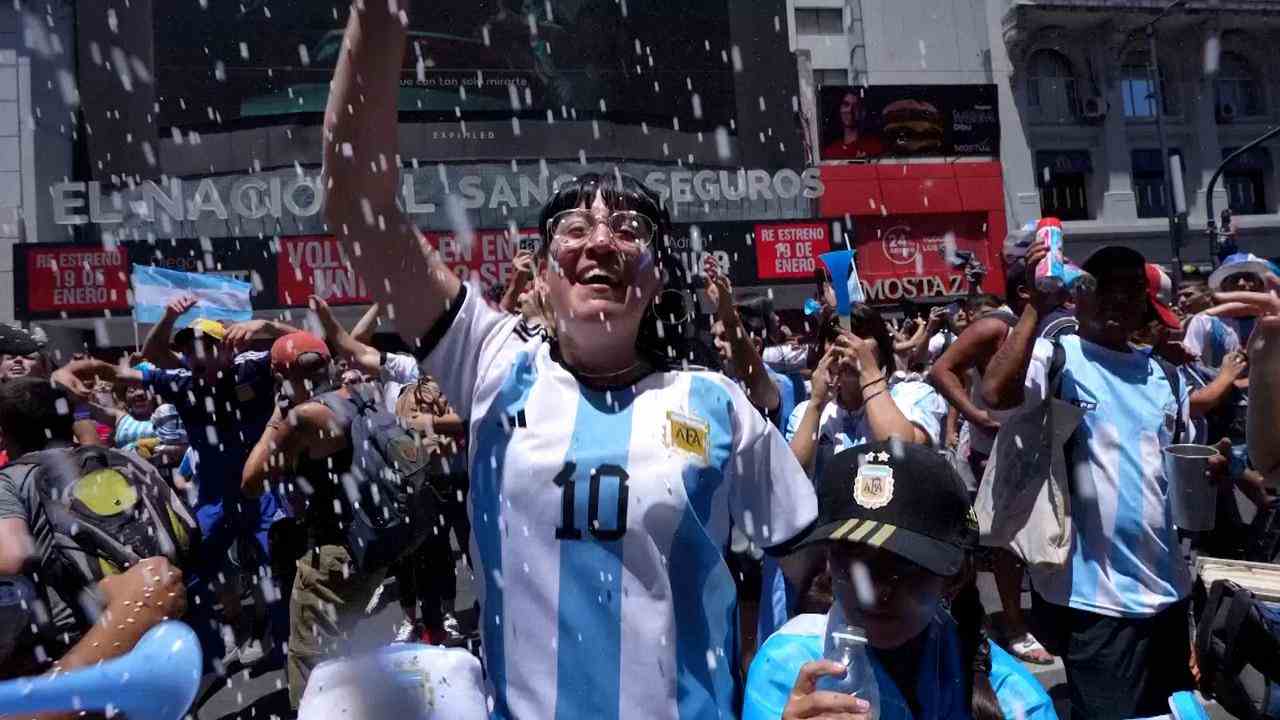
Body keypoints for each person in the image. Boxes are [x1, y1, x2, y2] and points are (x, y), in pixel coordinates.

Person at [322, 6, 819, 716]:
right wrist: (378, 15)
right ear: (542, 275)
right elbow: (356, 204)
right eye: (573, 228)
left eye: (628, 229)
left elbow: (810, 569)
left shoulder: (719, 407)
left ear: (655, 277)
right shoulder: (493, 364)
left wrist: (778, 689)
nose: (601, 243)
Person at [982, 243, 1207, 720]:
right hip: (1096, 600)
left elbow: (1178, 476)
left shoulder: (1166, 375)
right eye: (1104, 287)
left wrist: (1214, 470)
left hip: (1167, 596)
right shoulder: (1057, 357)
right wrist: (1032, 311)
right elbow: (995, 394)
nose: (1118, 300)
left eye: (1131, 290)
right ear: (1079, 298)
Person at [52, 303, 300, 670]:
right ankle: (198, 654)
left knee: (279, 575)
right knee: (189, 576)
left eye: (205, 346)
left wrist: (265, 324)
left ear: (228, 347)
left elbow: (306, 346)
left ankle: (284, 649)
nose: (193, 354)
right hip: (215, 499)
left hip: (262, 494)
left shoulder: (253, 368)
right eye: (187, 348)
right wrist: (68, 370)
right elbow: (130, 365)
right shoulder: (179, 381)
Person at [743, 442, 1056, 720]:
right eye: (852, 561)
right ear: (828, 561)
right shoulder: (786, 669)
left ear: (954, 577)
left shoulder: (1014, 701)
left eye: (905, 567)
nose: (875, 592)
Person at [240, 331, 389, 708]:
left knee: (310, 666)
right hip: (371, 546)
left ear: (280, 375)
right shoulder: (362, 395)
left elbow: (251, 480)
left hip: (331, 556)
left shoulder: (304, 418)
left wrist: (278, 415)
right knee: (343, 648)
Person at [926, 258, 1059, 666]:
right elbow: (941, 370)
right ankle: (1014, 625)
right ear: (1026, 292)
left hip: (1042, 443)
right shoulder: (994, 327)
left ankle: (1043, 613)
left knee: (1044, 531)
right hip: (998, 448)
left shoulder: (1057, 328)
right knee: (1007, 541)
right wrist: (972, 412)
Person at [787, 305, 947, 481]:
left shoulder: (913, 394)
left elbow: (903, 454)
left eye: (859, 336)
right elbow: (793, 476)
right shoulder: (806, 412)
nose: (846, 344)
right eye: (834, 338)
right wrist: (816, 404)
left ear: (882, 347)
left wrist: (869, 375)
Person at [1182, 252, 1271, 368]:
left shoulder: (1272, 320)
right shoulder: (1205, 321)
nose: (1241, 283)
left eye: (1249, 277)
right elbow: (1190, 365)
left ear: (1261, 285)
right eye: (1235, 279)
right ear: (1224, 287)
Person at [822, 90, 884, 160]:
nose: (849, 110)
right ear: (840, 109)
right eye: (846, 104)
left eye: (856, 106)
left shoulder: (874, 147)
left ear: (863, 112)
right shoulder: (830, 152)